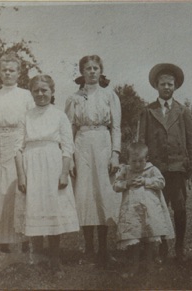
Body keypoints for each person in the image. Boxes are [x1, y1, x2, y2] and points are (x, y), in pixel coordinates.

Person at [15, 75, 79, 277]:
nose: (41, 94)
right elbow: (17, 149)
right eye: (36, 91)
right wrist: (21, 176)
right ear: (31, 93)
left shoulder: (59, 115)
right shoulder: (25, 116)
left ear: (52, 92)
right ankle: (36, 257)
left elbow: (68, 147)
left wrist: (64, 173)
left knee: (52, 210)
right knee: (34, 208)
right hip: (31, 165)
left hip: (53, 164)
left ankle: (54, 260)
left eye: (45, 90)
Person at [65, 55, 122, 268]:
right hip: (82, 145)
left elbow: (116, 127)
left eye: (95, 68)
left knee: (103, 195)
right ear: (82, 72)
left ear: (101, 71)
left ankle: (104, 250)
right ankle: (89, 250)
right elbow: (68, 129)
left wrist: (115, 153)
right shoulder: (74, 98)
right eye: (87, 68)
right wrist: (69, 157)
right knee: (86, 195)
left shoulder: (110, 95)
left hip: (104, 144)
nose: (91, 72)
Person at [138, 63, 192, 263]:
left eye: (170, 84)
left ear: (176, 86)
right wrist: (144, 168)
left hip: (178, 169)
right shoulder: (148, 111)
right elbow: (142, 141)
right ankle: (162, 247)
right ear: (156, 86)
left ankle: (179, 248)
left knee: (179, 208)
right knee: (159, 209)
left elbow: (191, 140)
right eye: (163, 84)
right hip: (156, 170)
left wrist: (190, 167)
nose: (167, 87)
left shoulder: (183, 111)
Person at [0, 53, 33, 253]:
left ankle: (24, 242)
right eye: (4, 70)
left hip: (19, 145)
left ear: (19, 73)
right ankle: (0, 242)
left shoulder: (27, 96)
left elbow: (31, 124)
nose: (8, 73)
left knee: (18, 191)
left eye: (12, 70)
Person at [113, 142, 174, 278]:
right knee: (134, 237)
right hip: (132, 212)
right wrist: (126, 184)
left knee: (149, 239)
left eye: (141, 161)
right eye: (134, 161)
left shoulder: (151, 170)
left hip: (149, 211)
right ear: (128, 160)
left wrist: (146, 181)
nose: (138, 164)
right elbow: (115, 186)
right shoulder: (125, 170)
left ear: (147, 158)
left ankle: (149, 265)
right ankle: (134, 266)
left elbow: (161, 182)